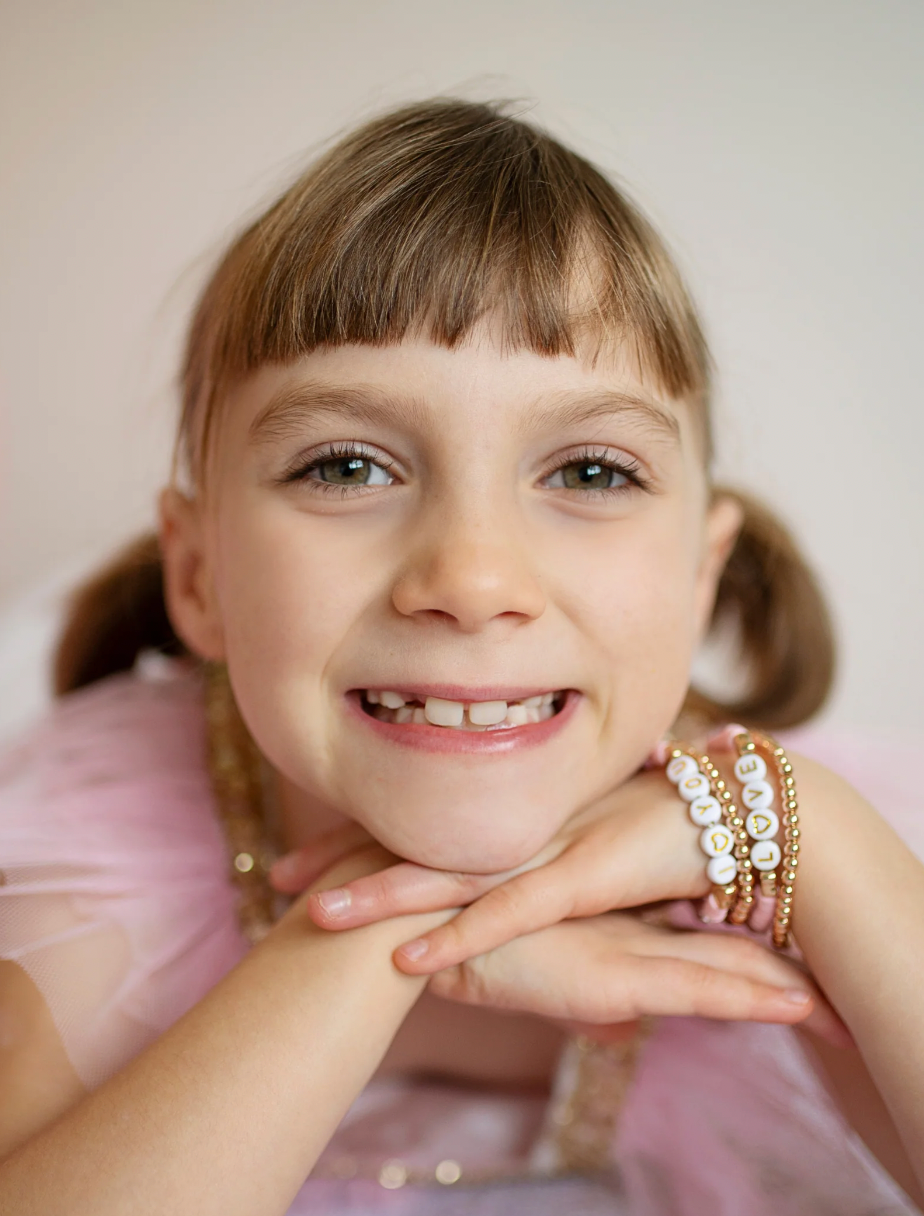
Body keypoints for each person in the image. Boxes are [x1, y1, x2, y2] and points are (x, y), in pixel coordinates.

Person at [0, 99, 921, 1216]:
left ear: (700, 580)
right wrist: (372, 934)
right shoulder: (110, 855)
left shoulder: (807, 872)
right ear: (199, 577)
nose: (475, 580)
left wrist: (816, 846)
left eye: (590, 473)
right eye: (346, 466)